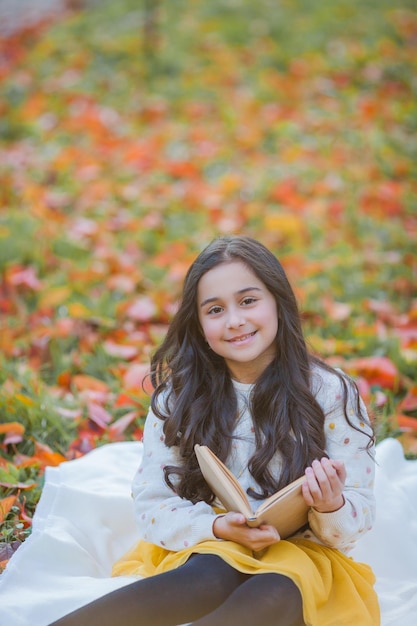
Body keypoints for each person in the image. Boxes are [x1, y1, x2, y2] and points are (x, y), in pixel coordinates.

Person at [50, 235, 380, 626]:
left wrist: (331, 507)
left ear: (278, 301)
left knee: (275, 591)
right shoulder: (179, 396)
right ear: (199, 323)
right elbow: (152, 504)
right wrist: (216, 526)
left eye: (248, 301)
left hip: (303, 555)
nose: (235, 320)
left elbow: (356, 519)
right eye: (215, 309)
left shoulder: (329, 392)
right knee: (207, 577)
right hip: (213, 541)